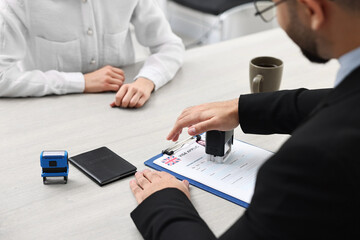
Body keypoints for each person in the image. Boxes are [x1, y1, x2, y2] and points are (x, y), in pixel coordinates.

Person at [129, 0, 360, 239]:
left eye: (273, 5)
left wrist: (164, 204)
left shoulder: (312, 161)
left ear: (312, 10)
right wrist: (243, 108)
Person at [0, 0, 184, 108]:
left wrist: (147, 79)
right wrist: (82, 82)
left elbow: (169, 44)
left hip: (122, 108)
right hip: (48, 110)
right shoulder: (17, 3)